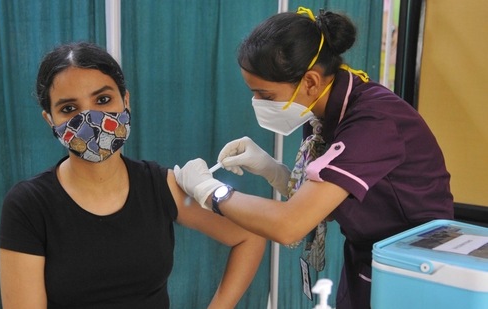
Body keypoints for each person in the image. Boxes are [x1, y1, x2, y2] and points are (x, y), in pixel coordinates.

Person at [174, 7, 453, 309]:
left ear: (310, 81)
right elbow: (323, 205)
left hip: (416, 270)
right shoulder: (322, 114)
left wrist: (209, 190)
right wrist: (273, 170)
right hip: (366, 259)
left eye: (266, 96)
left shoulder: (374, 122)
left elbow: (290, 224)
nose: (257, 104)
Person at [0, 42, 266, 309]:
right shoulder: (30, 205)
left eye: (103, 100)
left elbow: (250, 235)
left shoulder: (160, 186)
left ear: (125, 101)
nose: (91, 118)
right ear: (50, 120)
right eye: (69, 109)